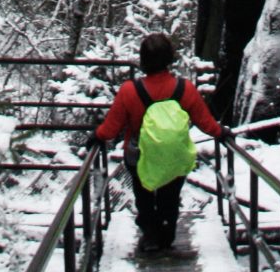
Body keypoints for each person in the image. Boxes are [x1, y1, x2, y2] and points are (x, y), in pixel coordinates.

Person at [95, 32, 224, 253]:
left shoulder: (129, 90)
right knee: (169, 196)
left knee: (143, 195)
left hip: (140, 156)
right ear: (169, 59)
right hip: (174, 154)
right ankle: (166, 232)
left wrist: (97, 136)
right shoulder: (185, 88)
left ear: (143, 60)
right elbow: (205, 121)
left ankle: (150, 234)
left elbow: (111, 128)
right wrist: (221, 133)